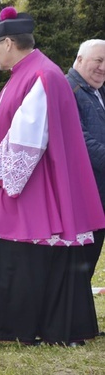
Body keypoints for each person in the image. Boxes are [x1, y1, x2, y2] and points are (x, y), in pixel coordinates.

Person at [0, 7, 105, 348]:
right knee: (38, 262)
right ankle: (53, 330)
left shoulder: (39, 76)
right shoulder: (36, 73)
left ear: (8, 42)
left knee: (4, 261)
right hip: (36, 185)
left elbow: (28, 136)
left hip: (32, 186)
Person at [65, 39, 105, 279]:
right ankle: (71, 316)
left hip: (100, 196)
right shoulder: (67, 90)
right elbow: (80, 142)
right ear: (79, 59)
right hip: (83, 201)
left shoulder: (98, 90)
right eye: (98, 61)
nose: (103, 68)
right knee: (78, 271)